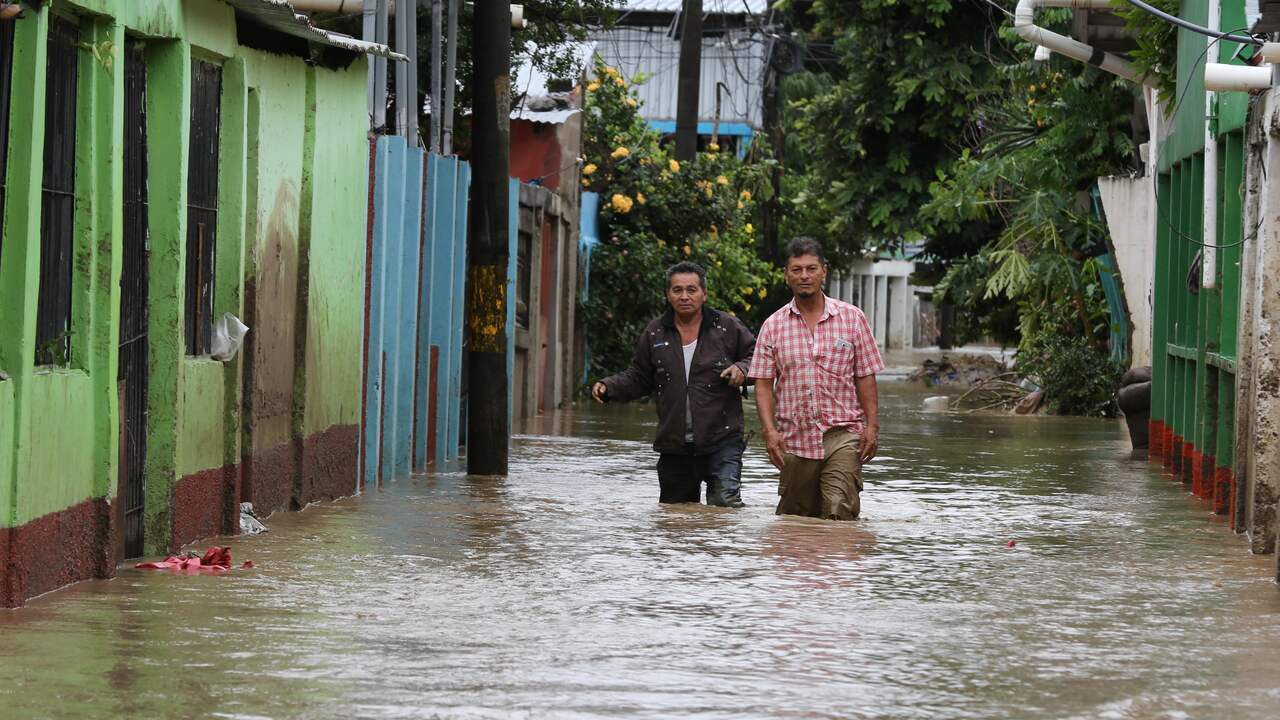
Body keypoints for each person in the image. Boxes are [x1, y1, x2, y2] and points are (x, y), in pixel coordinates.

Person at [592, 261, 757, 507]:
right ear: (668, 295)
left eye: (691, 290)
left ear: (704, 294)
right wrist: (608, 387)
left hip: (722, 440)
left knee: (726, 506)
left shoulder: (727, 327)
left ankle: (721, 548)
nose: (684, 296)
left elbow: (759, 357)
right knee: (675, 522)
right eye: (677, 290)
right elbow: (639, 376)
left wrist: (743, 369)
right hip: (674, 445)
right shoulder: (655, 332)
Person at [749, 238, 884, 520]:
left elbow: (865, 376)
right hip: (794, 437)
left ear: (824, 271)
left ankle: (837, 562)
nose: (804, 276)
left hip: (843, 434)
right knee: (796, 520)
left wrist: (872, 426)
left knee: (838, 510)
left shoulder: (852, 318)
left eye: (811, 269)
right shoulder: (773, 326)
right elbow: (762, 384)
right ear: (786, 275)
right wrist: (769, 431)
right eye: (796, 270)